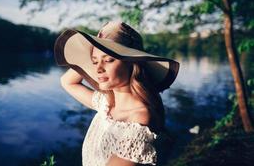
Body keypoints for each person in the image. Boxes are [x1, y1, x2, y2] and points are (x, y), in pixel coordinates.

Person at [54, 21, 180, 166]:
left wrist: (100, 48)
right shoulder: (106, 103)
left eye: (109, 60)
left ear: (132, 63)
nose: (98, 69)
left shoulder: (138, 118)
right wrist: (97, 45)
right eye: (94, 62)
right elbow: (67, 82)